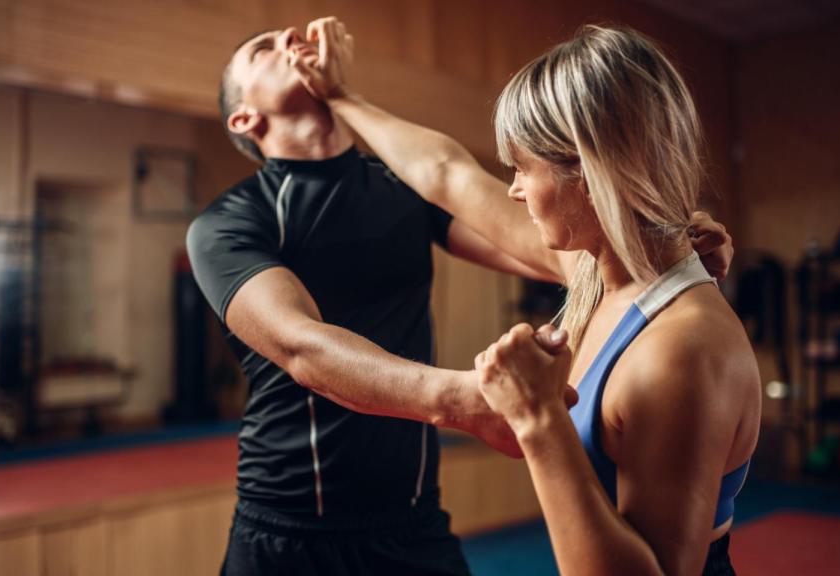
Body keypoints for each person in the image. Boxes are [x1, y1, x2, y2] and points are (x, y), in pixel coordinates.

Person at [188, 23, 736, 576]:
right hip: (288, 524)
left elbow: (461, 184)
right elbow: (302, 348)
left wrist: (660, 236)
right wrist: (473, 399)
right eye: (264, 49)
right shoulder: (227, 223)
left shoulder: (401, 190)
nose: (290, 41)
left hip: (411, 519)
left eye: (521, 170)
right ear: (243, 119)